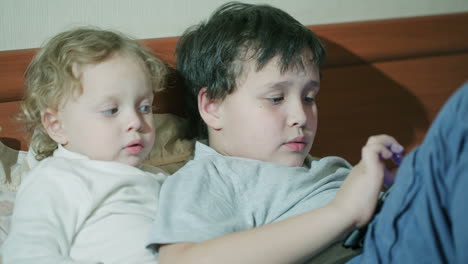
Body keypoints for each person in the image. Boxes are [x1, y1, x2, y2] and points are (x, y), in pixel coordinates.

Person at [147, 2, 412, 264]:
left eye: (309, 97)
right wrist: (343, 212)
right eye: (275, 98)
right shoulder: (210, 179)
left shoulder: (320, 167)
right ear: (213, 107)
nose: (301, 117)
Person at [3, 27, 169, 263]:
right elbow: (27, 255)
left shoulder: (160, 178)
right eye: (111, 110)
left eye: (145, 107)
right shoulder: (56, 180)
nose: (136, 122)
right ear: (57, 125)